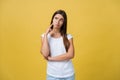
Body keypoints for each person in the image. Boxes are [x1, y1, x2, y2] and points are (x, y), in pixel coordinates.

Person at [40, 9, 75, 80]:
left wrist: (51, 58)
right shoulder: (44, 36)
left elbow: (70, 55)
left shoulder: (68, 37)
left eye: (61, 20)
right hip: (52, 75)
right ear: (52, 19)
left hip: (68, 74)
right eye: (56, 18)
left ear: (64, 23)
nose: (57, 22)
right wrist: (46, 35)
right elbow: (45, 54)